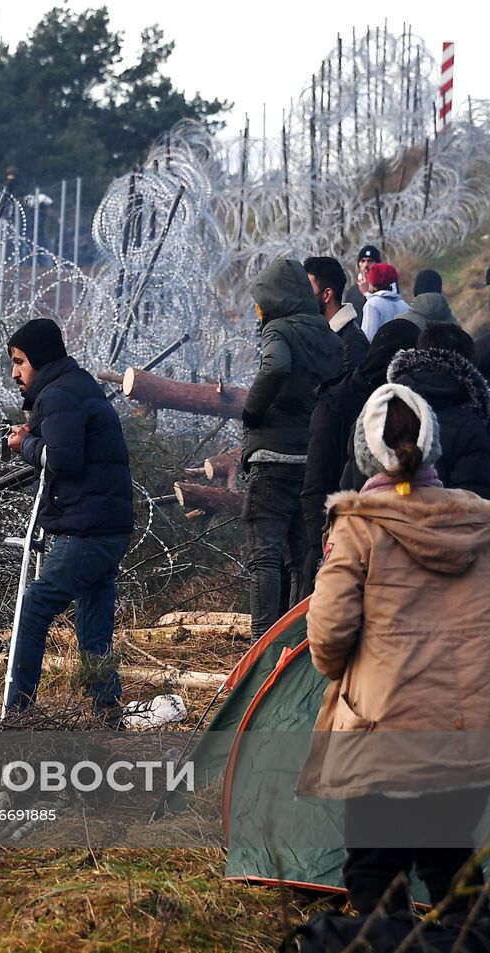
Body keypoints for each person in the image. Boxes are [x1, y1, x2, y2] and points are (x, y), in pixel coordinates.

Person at [301, 382, 490, 915]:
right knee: (454, 870)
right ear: (432, 445)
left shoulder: (359, 525)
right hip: (464, 735)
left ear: (366, 452)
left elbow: (329, 633)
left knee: (376, 877)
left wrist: (346, 676)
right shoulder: (479, 520)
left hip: (381, 734)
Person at [2, 318, 133, 721]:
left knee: (34, 607)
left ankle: (19, 710)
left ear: (39, 360)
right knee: (93, 623)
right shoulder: (75, 387)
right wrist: (36, 433)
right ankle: (107, 707)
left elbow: (63, 458)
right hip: (108, 525)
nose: (15, 372)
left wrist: (25, 443)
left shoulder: (59, 395)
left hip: (88, 529)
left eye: (20, 362)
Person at [241, 258, 343, 639]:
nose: (258, 309)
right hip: (309, 457)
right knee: (304, 557)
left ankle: (260, 647)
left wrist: (252, 410)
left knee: (263, 555)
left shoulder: (278, 330)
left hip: (271, 456)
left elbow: (276, 367)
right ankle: (298, 642)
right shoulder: (327, 335)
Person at [299, 319, 421, 597]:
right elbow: (316, 488)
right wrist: (327, 549)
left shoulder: (403, 410)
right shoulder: (336, 404)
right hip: (338, 551)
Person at [340, 323, 490, 498]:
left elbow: (349, 489)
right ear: (469, 366)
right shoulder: (469, 427)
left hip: (372, 522)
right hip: (436, 523)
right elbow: (473, 506)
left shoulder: (374, 415)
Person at [305, 256, 368, 374]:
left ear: (327, 295)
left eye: (307, 291)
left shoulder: (351, 343)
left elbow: (351, 389)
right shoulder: (318, 334)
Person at [360, 262, 409, 338]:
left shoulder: (372, 305)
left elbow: (368, 336)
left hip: (379, 349)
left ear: (373, 282)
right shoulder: (404, 305)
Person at [348, 243, 381, 314]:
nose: (366, 265)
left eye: (370, 261)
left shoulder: (382, 291)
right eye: (363, 261)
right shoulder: (352, 291)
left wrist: (367, 293)